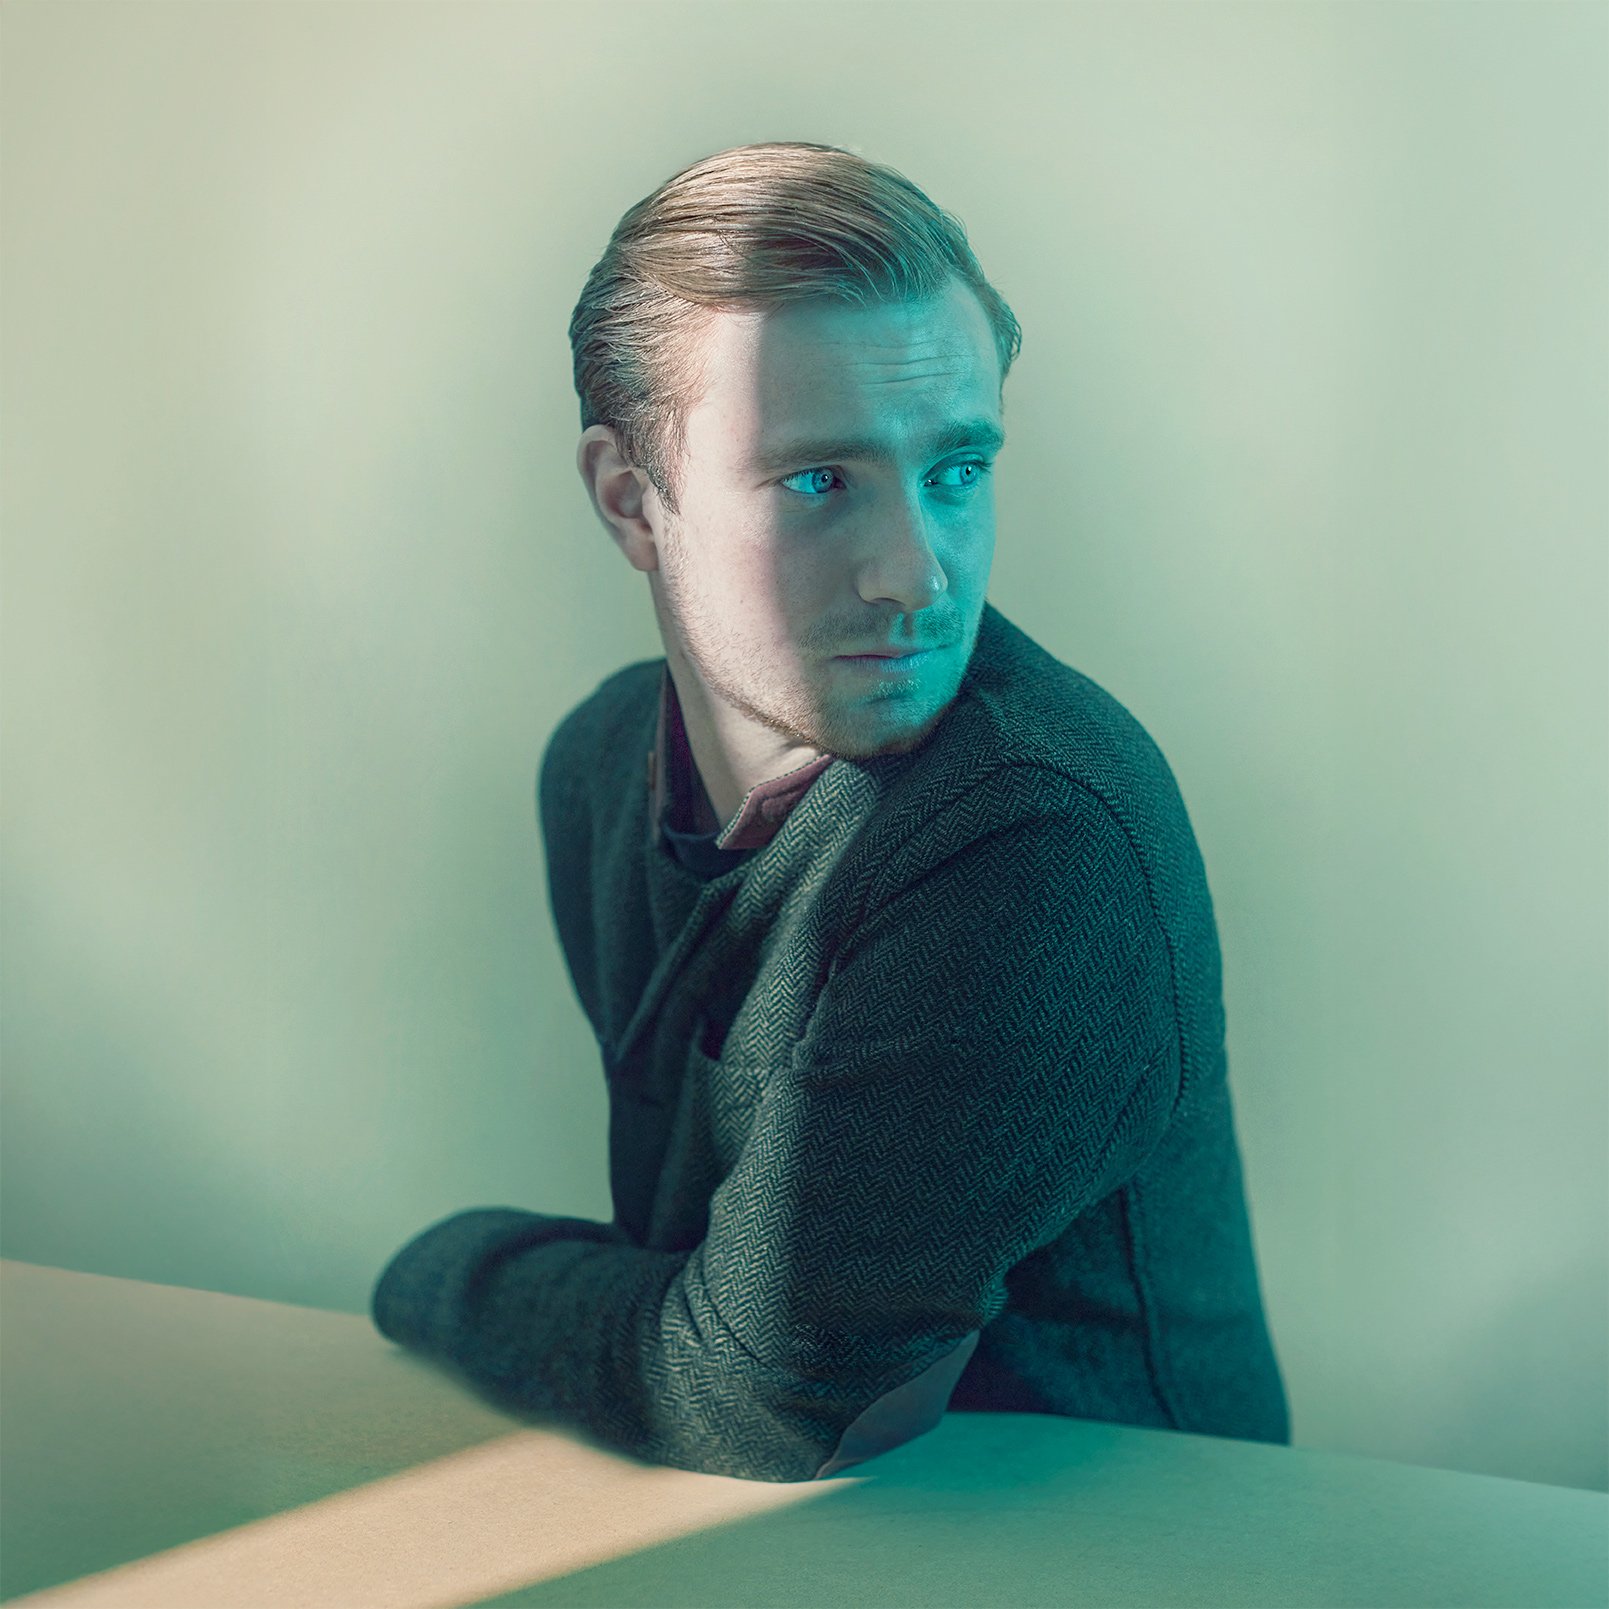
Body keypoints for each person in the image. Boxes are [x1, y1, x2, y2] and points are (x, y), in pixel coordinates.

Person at [369, 140, 1290, 1482]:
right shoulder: (597, 769)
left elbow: (770, 1397)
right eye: (817, 481)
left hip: (1124, 1558)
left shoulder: (1034, 835)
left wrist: (438, 1272)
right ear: (630, 499)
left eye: (956, 470)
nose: (914, 574)